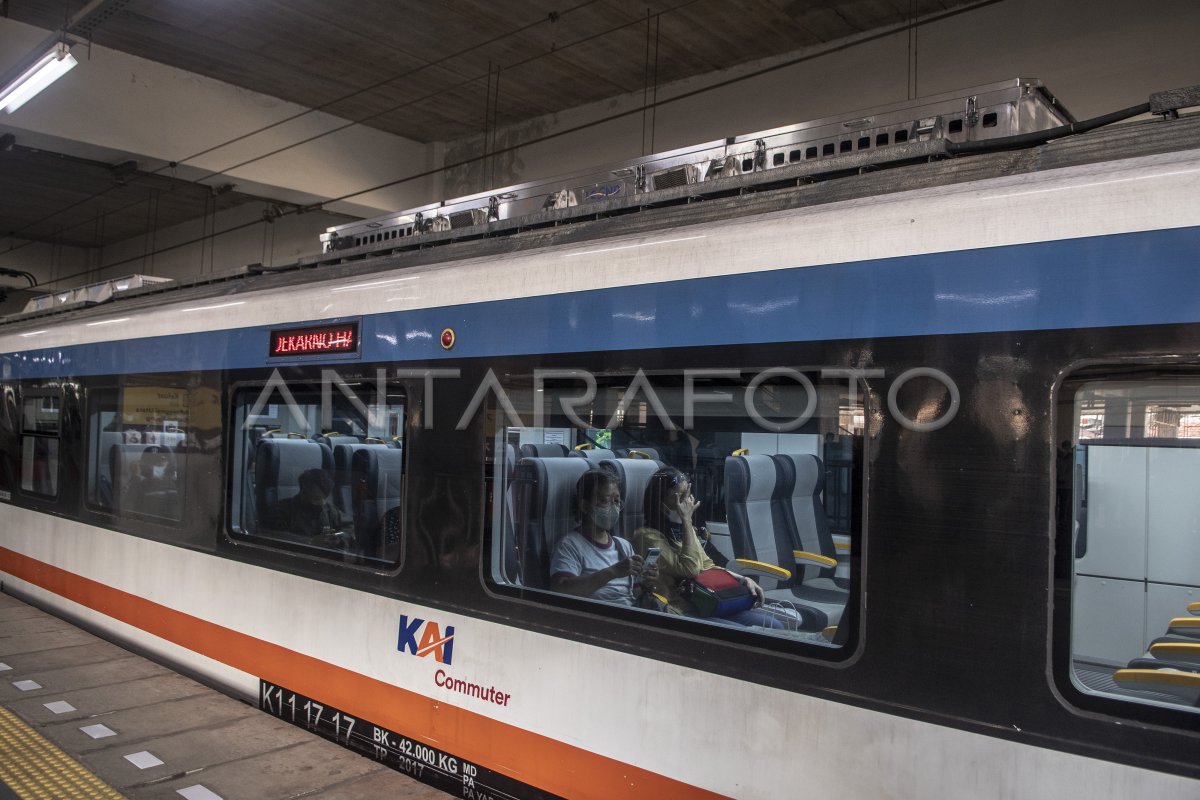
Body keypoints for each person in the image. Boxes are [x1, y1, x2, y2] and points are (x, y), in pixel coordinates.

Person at [633, 466, 783, 629]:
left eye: (687, 495)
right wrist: (687, 521)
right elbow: (689, 569)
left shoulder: (685, 531)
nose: (687, 502)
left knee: (774, 625)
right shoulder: (646, 536)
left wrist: (743, 580)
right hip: (681, 610)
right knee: (744, 633)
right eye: (679, 497)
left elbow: (707, 566)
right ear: (660, 501)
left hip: (708, 601)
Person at [550, 469, 659, 607]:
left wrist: (646, 584)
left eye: (616, 501)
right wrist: (613, 572)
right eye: (604, 501)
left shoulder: (623, 546)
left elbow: (633, 594)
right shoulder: (570, 545)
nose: (613, 508)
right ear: (584, 506)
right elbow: (561, 590)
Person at [263, 468, 353, 546]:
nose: (322, 503)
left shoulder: (329, 509)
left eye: (325, 498)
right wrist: (310, 542)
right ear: (303, 494)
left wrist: (338, 538)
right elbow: (277, 539)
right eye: (316, 498)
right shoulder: (282, 510)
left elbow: (350, 528)